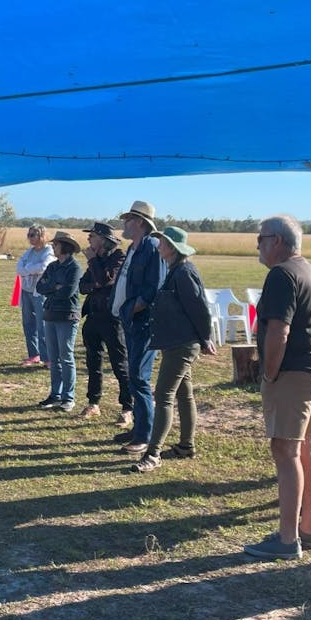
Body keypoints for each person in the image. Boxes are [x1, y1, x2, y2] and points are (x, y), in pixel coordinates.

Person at [244, 215, 311, 561]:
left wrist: (269, 373)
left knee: (286, 452)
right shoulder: (309, 271)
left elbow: (278, 331)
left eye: (261, 238)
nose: (258, 245)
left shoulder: (281, 274)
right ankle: (309, 530)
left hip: (295, 373)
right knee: (309, 449)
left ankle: (286, 539)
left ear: (278, 241)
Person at [130, 227, 215, 472]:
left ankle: (152, 453)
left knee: (163, 396)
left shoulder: (183, 273)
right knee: (184, 394)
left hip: (182, 345)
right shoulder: (174, 270)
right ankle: (186, 446)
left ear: (173, 247)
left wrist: (205, 337)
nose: (158, 246)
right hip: (175, 343)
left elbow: (199, 308)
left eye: (162, 242)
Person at [110, 201, 164, 455]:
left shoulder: (152, 248)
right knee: (134, 377)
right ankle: (139, 428)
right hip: (130, 321)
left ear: (140, 222)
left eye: (129, 219)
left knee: (140, 378)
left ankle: (144, 436)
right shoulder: (133, 248)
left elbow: (154, 289)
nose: (125, 223)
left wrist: (132, 309)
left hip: (144, 323)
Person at [78, 221, 132, 422]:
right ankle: (93, 403)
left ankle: (128, 407)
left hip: (112, 318)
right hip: (93, 315)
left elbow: (106, 280)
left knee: (119, 363)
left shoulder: (119, 257)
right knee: (93, 362)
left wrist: (93, 265)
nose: (88, 239)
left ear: (102, 239)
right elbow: (83, 286)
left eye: (92, 236)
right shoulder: (96, 259)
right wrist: (96, 282)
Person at [35, 231, 83, 411]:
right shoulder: (53, 266)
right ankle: (55, 394)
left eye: (55, 244)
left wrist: (52, 289)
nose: (53, 247)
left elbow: (67, 292)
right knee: (53, 358)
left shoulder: (74, 267)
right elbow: (40, 287)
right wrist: (54, 287)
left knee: (66, 357)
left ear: (65, 246)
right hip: (50, 314)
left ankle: (68, 397)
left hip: (67, 316)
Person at [15, 224, 55, 367]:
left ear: (41, 236)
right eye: (29, 235)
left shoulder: (48, 251)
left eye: (33, 235)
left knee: (42, 325)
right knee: (28, 323)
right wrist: (30, 269)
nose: (30, 238)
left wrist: (28, 268)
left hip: (40, 293)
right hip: (26, 291)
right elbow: (19, 268)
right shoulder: (29, 252)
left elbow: (44, 267)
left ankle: (48, 357)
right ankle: (34, 354)